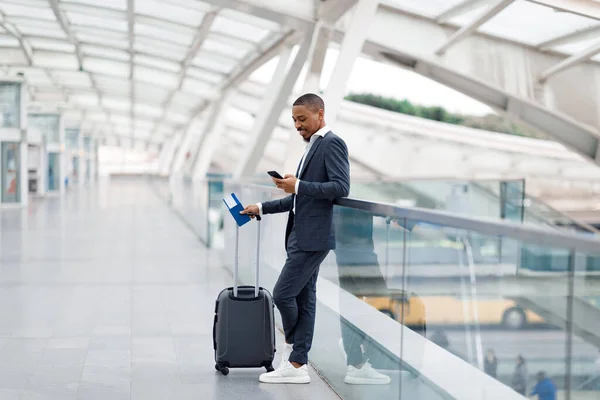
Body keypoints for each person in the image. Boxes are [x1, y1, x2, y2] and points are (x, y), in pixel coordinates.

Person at [240, 93, 350, 384]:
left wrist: (298, 184)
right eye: (294, 121)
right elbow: (299, 199)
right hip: (300, 235)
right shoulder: (312, 146)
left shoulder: (332, 143)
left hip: (312, 239)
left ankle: (293, 353)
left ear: (320, 114)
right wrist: (261, 207)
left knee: (283, 294)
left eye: (302, 119)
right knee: (305, 298)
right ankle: (298, 364)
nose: (298, 126)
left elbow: (341, 187)